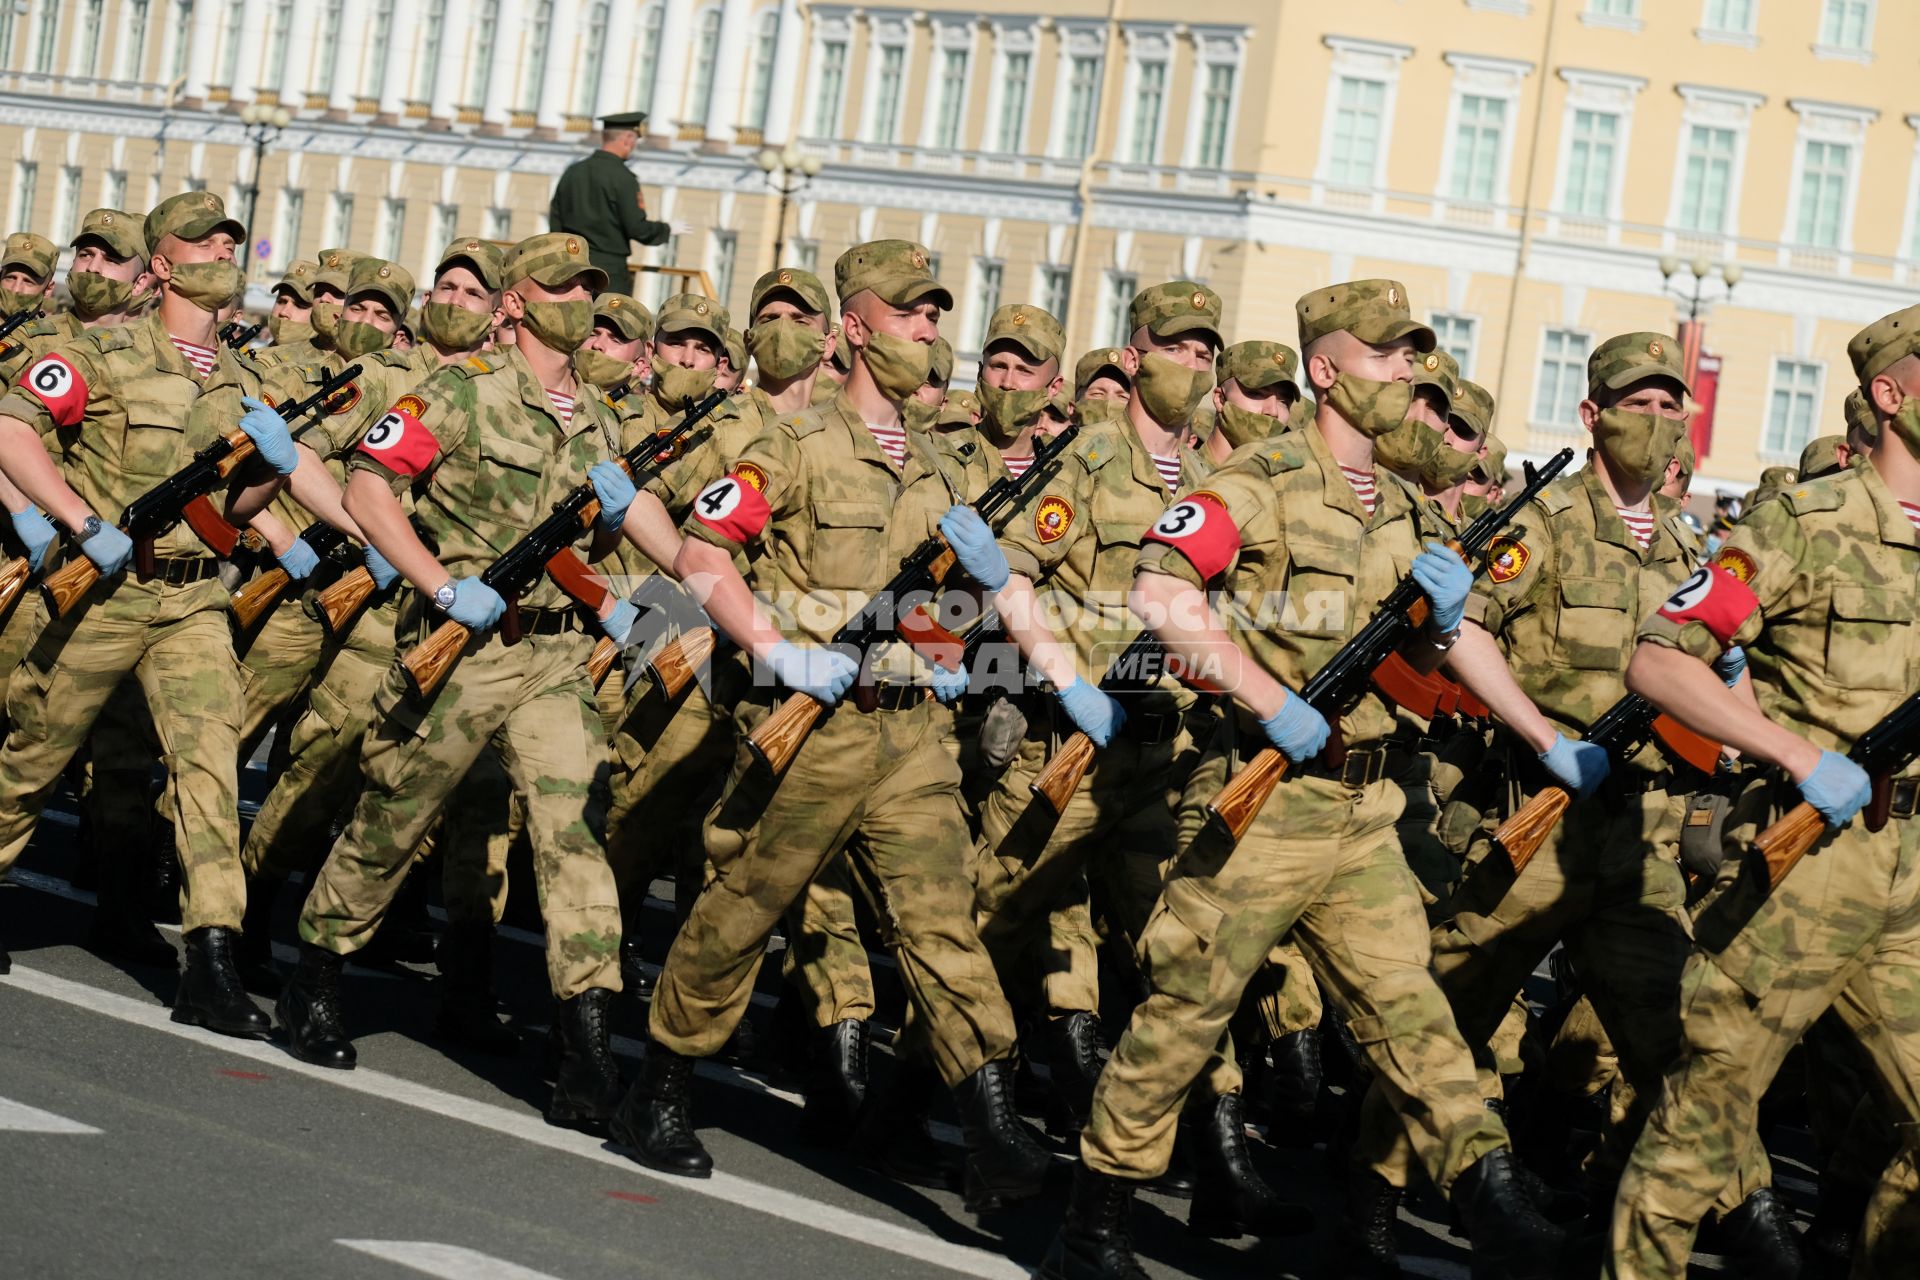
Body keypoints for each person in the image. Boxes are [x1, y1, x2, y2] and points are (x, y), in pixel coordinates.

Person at [1040, 280, 1561, 1280]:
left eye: (1411, 354)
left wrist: (1533, 723)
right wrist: (1265, 694)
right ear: (1325, 369)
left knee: (1411, 1008)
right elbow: (1160, 591)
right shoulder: (1260, 479)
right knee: (1185, 1012)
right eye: (1383, 355)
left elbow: (1449, 652)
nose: (1406, 370)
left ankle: (1497, 1208)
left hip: (1367, 808)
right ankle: (1092, 1228)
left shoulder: (1409, 507)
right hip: (1267, 798)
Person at [615, 240, 1050, 1215]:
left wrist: (963, 616)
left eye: (935, 314)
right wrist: (778, 650)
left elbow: (941, 608)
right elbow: (702, 555)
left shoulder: (939, 464)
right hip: (808, 727)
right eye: (908, 313)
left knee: (942, 921)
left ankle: (994, 1127)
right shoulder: (794, 443)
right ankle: (663, 1084)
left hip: (911, 738)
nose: (926, 329)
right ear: (855, 326)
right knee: (744, 903)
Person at [274, 233, 630, 1131]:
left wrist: (627, 578)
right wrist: (437, 584)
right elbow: (368, 487)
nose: (578, 304)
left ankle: (586, 1048)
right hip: (463, 648)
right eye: (560, 289)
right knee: (396, 816)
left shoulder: (600, 414)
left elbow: (599, 550)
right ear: (515, 304)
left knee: (572, 838)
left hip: (553, 657)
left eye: (588, 289)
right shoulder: (461, 390)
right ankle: (316, 969)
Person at [1607, 301, 1920, 1279]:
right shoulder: (1800, 521)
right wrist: (1791, 753)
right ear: (1890, 393)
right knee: (1699, 1124)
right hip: (1807, 868)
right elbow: (1661, 660)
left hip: (1911, 879)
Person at [0, 192, 295, 1025]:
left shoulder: (244, 375)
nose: (220, 254)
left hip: (196, 596)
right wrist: (79, 522)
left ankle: (210, 959)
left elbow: (236, 514)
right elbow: (11, 431)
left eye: (229, 243)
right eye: (199, 245)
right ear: (161, 265)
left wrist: (271, 471)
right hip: (104, 592)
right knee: (36, 755)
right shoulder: (104, 352)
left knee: (209, 768)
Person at [547, 111, 675, 295]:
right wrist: (666, 230)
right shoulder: (623, 178)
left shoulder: (573, 172)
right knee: (608, 320)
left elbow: (556, 219)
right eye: (633, 140)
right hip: (608, 273)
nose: (632, 146)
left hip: (570, 265)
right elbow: (637, 228)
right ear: (627, 138)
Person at [0, 231, 57, 317]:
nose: (16, 289)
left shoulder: (54, 330)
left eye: (28, 281)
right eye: (11, 278)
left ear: (48, 289)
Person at [266, 259, 319, 347]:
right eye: (281, 302)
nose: (284, 312)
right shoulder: (255, 356)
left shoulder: (328, 360)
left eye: (299, 305)